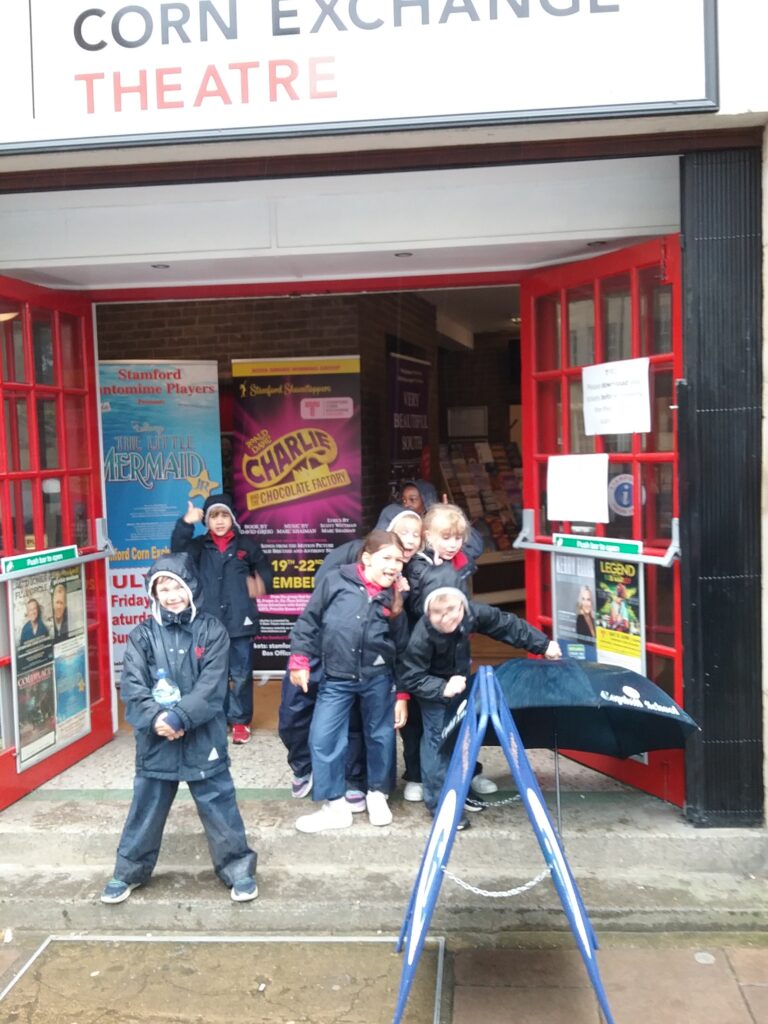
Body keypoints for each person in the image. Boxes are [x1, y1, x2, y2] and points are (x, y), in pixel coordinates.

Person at [100, 553, 258, 905]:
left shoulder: (212, 630)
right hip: (156, 740)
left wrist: (179, 717)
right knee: (147, 806)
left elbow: (212, 687)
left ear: (191, 588)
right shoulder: (141, 635)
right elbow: (132, 686)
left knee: (219, 804)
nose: (172, 595)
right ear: (153, 594)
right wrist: (157, 719)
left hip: (204, 736)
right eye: (164, 588)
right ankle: (128, 872)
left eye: (177, 587)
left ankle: (238, 870)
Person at [278, 506, 422, 805]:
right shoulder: (336, 579)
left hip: (374, 676)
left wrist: (403, 694)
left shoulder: (395, 593)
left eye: (399, 560)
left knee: (375, 734)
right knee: (311, 727)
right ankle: (319, 784)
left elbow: (402, 647)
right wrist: (300, 659)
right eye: (388, 558)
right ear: (367, 558)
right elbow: (309, 619)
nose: (395, 564)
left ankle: (372, 790)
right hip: (330, 667)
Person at [399, 568, 562, 830]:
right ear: (427, 612)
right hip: (434, 689)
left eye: (452, 609)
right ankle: (441, 807)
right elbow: (411, 675)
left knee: (462, 735)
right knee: (437, 741)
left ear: (462, 603)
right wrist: (442, 688)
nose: (446, 618)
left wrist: (542, 645)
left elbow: (506, 624)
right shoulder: (423, 635)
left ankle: (461, 787)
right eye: (437, 612)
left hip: (460, 683)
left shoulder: (471, 613)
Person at [171, 493, 272, 744]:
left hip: (240, 620)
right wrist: (186, 522)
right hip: (208, 622)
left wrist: (262, 583)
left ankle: (240, 722)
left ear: (232, 518)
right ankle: (217, 718)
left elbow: (266, 568)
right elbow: (176, 551)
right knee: (212, 674)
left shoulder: (246, 545)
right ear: (207, 520)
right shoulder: (197, 546)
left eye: (224, 515)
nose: (219, 521)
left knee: (240, 674)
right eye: (213, 516)